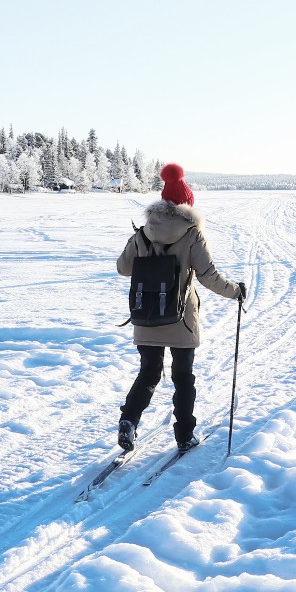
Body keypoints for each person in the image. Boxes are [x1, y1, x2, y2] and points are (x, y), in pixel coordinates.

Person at [114, 163, 246, 452]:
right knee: (183, 377)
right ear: (188, 204)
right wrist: (236, 291)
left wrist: (139, 244)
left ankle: (129, 419)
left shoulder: (143, 233)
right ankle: (185, 435)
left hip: (145, 315)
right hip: (181, 319)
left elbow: (123, 268)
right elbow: (208, 276)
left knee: (148, 373)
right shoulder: (192, 234)